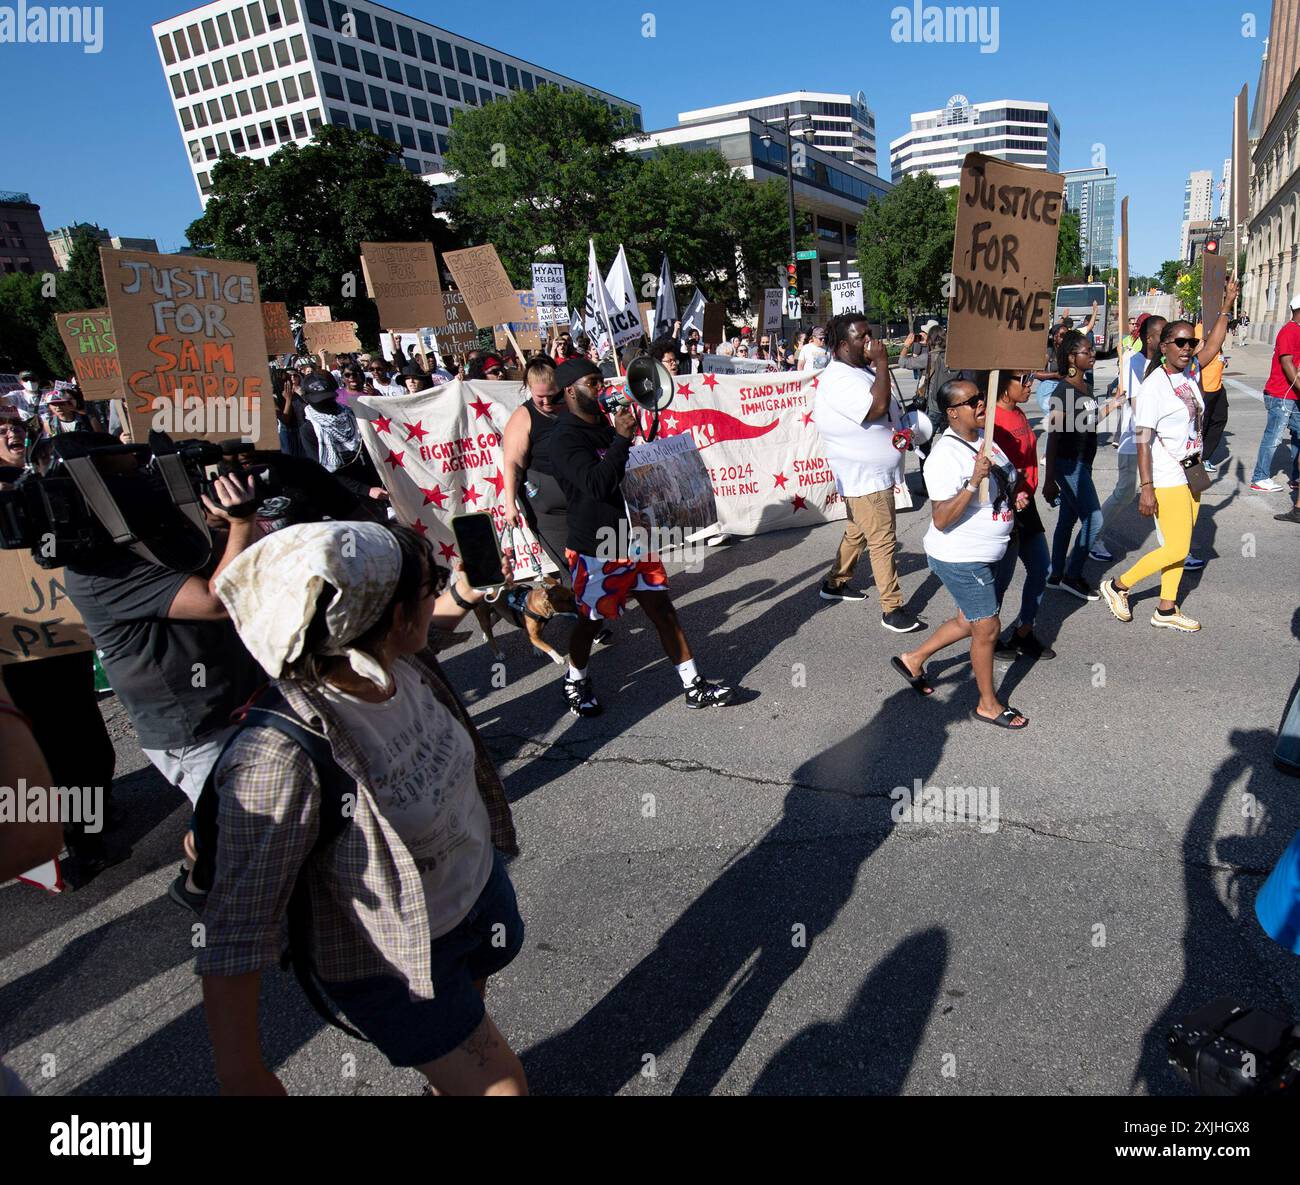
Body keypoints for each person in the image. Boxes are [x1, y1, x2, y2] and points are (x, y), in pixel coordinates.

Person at [198, 521, 526, 1096]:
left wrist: (462, 592)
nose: (440, 592)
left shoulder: (397, 659)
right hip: (398, 960)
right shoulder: (280, 755)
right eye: (433, 585)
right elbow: (236, 927)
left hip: (473, 898)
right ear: (392, 619)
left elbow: (428, 626)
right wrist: (243, 1072)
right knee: (502, 1086)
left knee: (468, 1032)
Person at [547, 357, 735, 715]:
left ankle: (693, 684)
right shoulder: (564, 439)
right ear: (570, 391)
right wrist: (620, 438)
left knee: (663, 610)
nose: (601, 390)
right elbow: (597, 484)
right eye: (593, 383)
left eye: (601, 381)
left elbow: (624, 470)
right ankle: (575, 679)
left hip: (634, 536)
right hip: (597, 545)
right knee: (591, 620)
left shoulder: (605, 425)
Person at [892, 379, 1026, 729]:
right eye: (973, 402)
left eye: (982, 398)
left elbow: (1001, 483)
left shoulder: (985, 439)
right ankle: (987, 704)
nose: (982, 404)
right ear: (952, 413)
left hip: (991, 549)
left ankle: (913, 658)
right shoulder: (943, 456)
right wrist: (971, 482)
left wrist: (1015, 497)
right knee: (987, 627)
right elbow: (941, 519)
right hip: (961, 555)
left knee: (968, 620)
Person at [1099, 298, 1236, 633]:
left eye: (1191, 342)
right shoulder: (1154, 387)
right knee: (1177, 546)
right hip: (1167, 475)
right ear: (1164, 347)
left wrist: (1226, 305)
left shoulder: (1189, 374)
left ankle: (1166, 607)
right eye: (1180, 342)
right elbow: (1143, 440)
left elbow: (1215, 343)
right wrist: (1147, 489)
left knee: (1180, 542)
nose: (1188, 348)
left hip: (1193, 470)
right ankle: (1118, 586)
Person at [811, 313, 921, 633]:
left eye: (872, 334)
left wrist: (901, 431)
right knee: (882, 539)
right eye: (864, 337)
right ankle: (892, 608)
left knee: (857, 532)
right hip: (865, 478)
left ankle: (834, 584)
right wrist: (884, 364)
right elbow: (874, 408)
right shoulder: (838, 378)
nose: (873, 343)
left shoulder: (859, 371)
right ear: (844, 345)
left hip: (871, 475)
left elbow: (885, 411)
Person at [1042, 330, 1124, 601]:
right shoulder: (1063, 390)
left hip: (1083, 463)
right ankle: (1071, 575)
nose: (1092, 355)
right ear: (1071, 358)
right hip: (1069, 466)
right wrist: (1050, 478)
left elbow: (1090, 421)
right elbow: (1053, 437)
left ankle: (1055, 575)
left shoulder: (1085, 387)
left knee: (1067, 519)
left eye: (1091, 351)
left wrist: (1114, 404)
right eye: (1086, 352)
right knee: (1094, 519)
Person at [990, 370, 1054, 659]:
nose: (1031, 385)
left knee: (1042, 568)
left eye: (1031, 378)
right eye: (1023, 380)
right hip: (1004, 509)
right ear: (1003, 384)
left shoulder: (1018, 413)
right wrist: (1010, 495)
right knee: (999, 582)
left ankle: (1023, 632)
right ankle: (986, 640)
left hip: (1027, 507)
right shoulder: (989, 419)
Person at [1091, 313, 1164, 563]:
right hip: (1135, 442)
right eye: (1162, 335)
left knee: (1165, 493)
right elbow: (1137, 403)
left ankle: (1175, 548)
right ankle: (1093, 536)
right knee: (1125, 493)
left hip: (1161, 445)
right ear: (1148, 337)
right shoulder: (1132, 362)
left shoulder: (1166, 363)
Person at [298, 371, 388, 508]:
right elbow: (323, 471)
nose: (327, 404)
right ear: (307, 400)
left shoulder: (352, 414)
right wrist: (365, 490)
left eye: (329, 399)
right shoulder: (309, 431)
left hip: (374, 488)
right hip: (343, 495)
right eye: (321, 401)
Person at [1249, 292, 1300, 493]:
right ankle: (1259, 478)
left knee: (1297, 435)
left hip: (1291, 395)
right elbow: (1287, 363)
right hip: (1281, 394)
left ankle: (1296, 477)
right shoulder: (1290, 331)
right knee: (1274, 436)